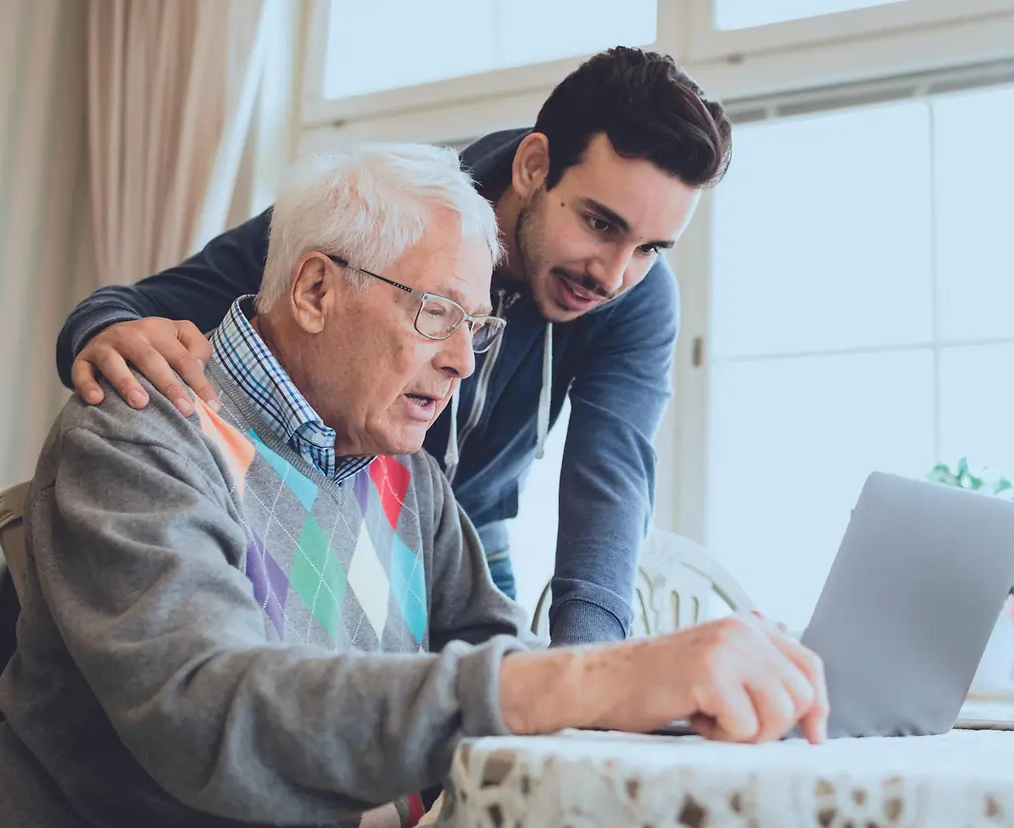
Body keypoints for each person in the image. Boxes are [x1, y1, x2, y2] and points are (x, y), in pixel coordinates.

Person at [0, 145, 826, 828]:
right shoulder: (140, 431)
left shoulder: (403, 473)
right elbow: (212, 714)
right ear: (312, 289)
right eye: (435, 313)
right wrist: (589, 681)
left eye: (477, 325)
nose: (460, 361)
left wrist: (647, 698)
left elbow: (497, 645)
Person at [53, 47, 732, 645]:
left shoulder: (635, 296)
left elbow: (611, 475)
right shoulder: (397, 217)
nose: (614, 275)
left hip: (464, 539)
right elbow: (142, 305)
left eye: (650, 248)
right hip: (332, 509)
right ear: (534, 166)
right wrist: (104, 331)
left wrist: (588, 664)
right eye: (599, 223)